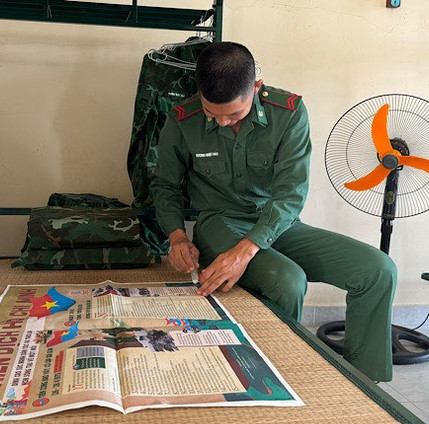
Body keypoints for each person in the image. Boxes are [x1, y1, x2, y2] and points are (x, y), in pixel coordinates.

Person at [151, 42, 396, 382]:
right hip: (218, 223)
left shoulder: (289, 113)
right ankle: (272, 377)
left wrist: (246, 250)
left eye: (233, 114)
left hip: (279, 225)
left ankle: (364, 384)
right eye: (212, 112)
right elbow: (165, 186)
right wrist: (176, 238)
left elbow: (291, 193)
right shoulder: (182, 120)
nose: (222, 122)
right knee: (288, 280)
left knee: (378, 270)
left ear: (255, 87)